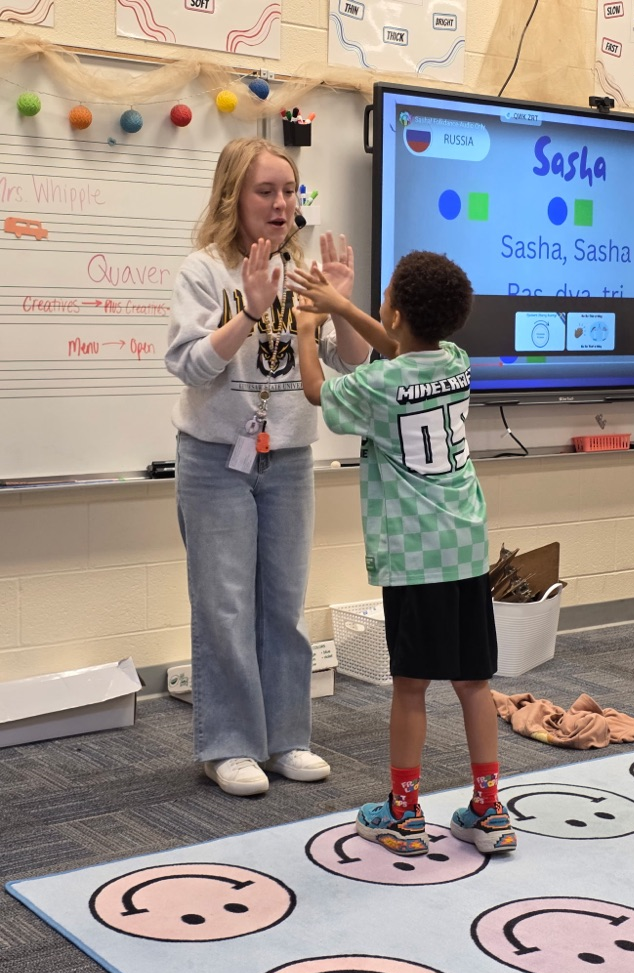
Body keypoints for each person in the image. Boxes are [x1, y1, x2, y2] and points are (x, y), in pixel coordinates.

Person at [290, 250, 517, 856]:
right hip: (465, 548)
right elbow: (402, 348)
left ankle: (404, 814)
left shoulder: (376, 384)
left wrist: (310, 329)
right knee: (474, 682)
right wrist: (343, 306)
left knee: (410, 685)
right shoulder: (457, 362)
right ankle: (489, 809)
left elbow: (316, 390)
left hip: (414, 557)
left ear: (392, 310)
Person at [165, 138, 369, 796]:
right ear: (234, 197)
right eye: (267, 191)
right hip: (213, 459)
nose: (282, 204)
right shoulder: (203, 272)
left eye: (291, 191)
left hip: (285, 457)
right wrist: (250, 309)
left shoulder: (304, 270)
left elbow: (352, 363)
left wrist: (340, 303)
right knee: (224, 607)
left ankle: (286, 739)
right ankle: (228, 745)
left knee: (281, 605)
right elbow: (190, 363)